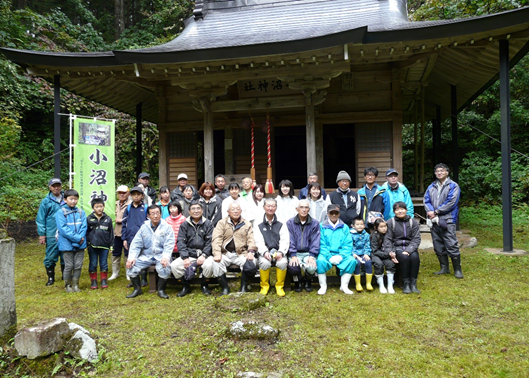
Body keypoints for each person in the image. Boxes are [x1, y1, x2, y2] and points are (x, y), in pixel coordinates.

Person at [125, 205, 175, 299]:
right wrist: (132, 257)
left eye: (157, 213)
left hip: (161, 255)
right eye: (152, 213)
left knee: (165, 267)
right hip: (147, 256)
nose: (155, 216)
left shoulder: (167, 227)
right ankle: (137, 289)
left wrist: (166, 257)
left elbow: (169, 244)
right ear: (148, 215)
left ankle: (161, 290)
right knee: (132, 266)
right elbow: (136, 244)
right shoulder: (144, 227)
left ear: (161, 214)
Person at [424, 163, 463, 279]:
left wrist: (436, 212)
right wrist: (431, 212)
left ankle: (457, 269)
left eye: (442, 171)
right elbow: (426, 200)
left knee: (451, 243)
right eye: (437, 171)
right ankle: (444, 267)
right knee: (438, 244)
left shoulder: (453, 186)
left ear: (447, 172)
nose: (439, 173)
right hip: (434, 220)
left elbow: (452, 202)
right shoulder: (431, 186)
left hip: (448, 219)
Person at [170, 200, 215, 297]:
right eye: (193, 209)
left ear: (202, 210)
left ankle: (204, 284)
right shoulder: (184, 225)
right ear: (189, 212)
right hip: (190, 254)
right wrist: (185, 257)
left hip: (205, 255)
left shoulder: (208, 224)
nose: (196, 211)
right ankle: (185, 286)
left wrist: (204, 255)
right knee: (174, 266)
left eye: (198, 208)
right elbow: (180, 242)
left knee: (209, 265)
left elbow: (210, 242)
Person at [211, 202, 258, 295]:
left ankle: (243, 287)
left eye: (237, 209)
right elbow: (216, 239)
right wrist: (216, 253)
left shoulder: (247, 224)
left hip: (241, 253)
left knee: (251, 263)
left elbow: (251, 239)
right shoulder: (221, 223)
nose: (235, 211)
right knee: (216, 264)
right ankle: (225, 288)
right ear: (228, 212)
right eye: (233, 209)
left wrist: (251, 252)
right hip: (225, 253)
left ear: (241, 211)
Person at [316, 204, 356, 295]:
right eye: (331, 213)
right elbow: (321, 243)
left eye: (336, 213)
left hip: (341, 254)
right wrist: (329, 256)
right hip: (326, 254)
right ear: (327, 214)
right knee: (320, 261)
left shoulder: (344, 227)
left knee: (351, 261)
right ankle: (323, 286)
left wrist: (341, 256)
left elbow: (348, 243)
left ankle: (344, 286)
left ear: (339, 214)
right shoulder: (321, 226)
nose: (334, 215)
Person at [254, 198, 290, 296]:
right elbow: (258, 240)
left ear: (276, 207)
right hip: (265, 252)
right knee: (264, 263)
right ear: (264, 207)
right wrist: (264, 252)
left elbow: (285, 239)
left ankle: (279, 286)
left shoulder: (281, 222)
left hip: (278, 251)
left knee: (282, 263)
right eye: (268, 206)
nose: (271, 208)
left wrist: (281, 252)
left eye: (273, 206)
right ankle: (264, 286)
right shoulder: (258, 223)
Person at [383, 201, 421, 294]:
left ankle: (413, 284)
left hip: (410, 246)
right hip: (397, 247)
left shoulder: (413, 222)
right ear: (394, 211)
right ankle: (406, 283)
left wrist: (409, 250)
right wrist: (391, 252)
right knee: (404, 258)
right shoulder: (391, 222)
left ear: (406, 210)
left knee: (415, 258)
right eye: (397, 210)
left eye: (402, 209)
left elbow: (416, 239)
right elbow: (388, 240)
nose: (400, 211)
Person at [56, 189, 87, 293]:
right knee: (69, 265)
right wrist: (77, 238)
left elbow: (84, 227)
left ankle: (76, 284)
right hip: (66, 244)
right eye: (71, 199)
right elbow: (63, 229)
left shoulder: (81, 212)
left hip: (80, 244)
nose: (73, 201)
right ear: (65, 199)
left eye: (75, 199)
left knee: (78, 265)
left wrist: (80, 238)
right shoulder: (61, 213)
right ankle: (67, 285)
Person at [286, 199, 320, 292]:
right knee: (293, 268)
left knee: (312, 267)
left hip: (308, 252)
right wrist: (293, 255)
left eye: (306, 207)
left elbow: (315, 241)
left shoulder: (315, 223)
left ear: (309, 209)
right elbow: (290, 240)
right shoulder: (290, 223)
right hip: (295, 252)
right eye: (301, 207)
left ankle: (307, 280)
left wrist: (312, 255)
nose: (304, 209)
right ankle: (298, 281)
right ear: (297, 209)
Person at [36, 178, 64, 286]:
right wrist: (42, 234)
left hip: (65, 233)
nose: (56, 188)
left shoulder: (67, 198)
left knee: (65, 255)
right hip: (51, 233)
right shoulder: (46, 201)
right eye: (54, 186)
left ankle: (65, 276)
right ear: (50, 187)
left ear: (61, 186)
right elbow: (40, 219)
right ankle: (51, 278)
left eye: (58, 185)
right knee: (51, 256)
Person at [121, 186, 149, 287]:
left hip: (143, 237)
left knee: (143, 257)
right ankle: (134, 279)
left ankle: (144, 279)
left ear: (142, 196)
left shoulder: (145, 208)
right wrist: (124, 238)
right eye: (134, 195)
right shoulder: (128, 208)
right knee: (131, 257)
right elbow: (124, 224)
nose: (136, 197)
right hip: (130, 237)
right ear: (131, 196)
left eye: (138, 194)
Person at [86, 197, 114, 289]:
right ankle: (93, 281)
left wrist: (111, 245)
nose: (99, 208)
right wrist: (86, 244)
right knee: (93, 263)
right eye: (97, 206)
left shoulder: (108, 219)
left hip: (104, 246)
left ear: (104, 207)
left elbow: (111, 233)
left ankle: (103, 280)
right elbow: (86, 232)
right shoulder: (89, 219)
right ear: (93, 208)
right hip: (92, 246)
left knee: (104, 263)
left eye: (101, 206)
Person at [109, 185, 131, 281]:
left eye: (124, 193)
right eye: (119, 193)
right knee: (115, 253)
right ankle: (115, 273)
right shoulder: (114, 204)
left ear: (128, 193)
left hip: (126, 233)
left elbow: (133, 218)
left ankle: (129, 273)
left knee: (128, 253)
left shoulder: (131, 204)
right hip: (115, 233)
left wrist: (121, 220)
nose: (121, 195)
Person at [357, 167, 389, 231]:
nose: (370, 177)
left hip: (377, 223)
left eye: (372, 175)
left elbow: (387, 208)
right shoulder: (360, 192)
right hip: (363, 224)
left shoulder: (382, 191)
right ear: (365, 177)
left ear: (376, 177)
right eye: (368, 175)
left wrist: (383, 221)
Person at [370, 218, 396, 294]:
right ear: (376, 227)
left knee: (390, 264)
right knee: (379, 264)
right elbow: (374, 250)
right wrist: (386, 254)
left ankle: (390, 285)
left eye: (385, 226)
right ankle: (381, 284)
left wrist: (393, 252)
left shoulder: (389, 235)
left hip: (386, 254)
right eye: (381, 227)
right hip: (376, 254)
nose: (384, 228)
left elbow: (393, 245)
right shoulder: (374, 236)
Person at [350, 217, 373, 292]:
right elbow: (350, 245)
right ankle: (358, 284)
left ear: (364, 226)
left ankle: (368, 283)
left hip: (363, 253)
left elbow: (368, 245)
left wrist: (367, 253)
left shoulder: (366, 235)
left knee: (368, 262)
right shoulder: (350, 234)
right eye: (357, 224)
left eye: (361, 224)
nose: (360, 226)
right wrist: (353, 253)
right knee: (357, 263)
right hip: (355, 254)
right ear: (353, 226)